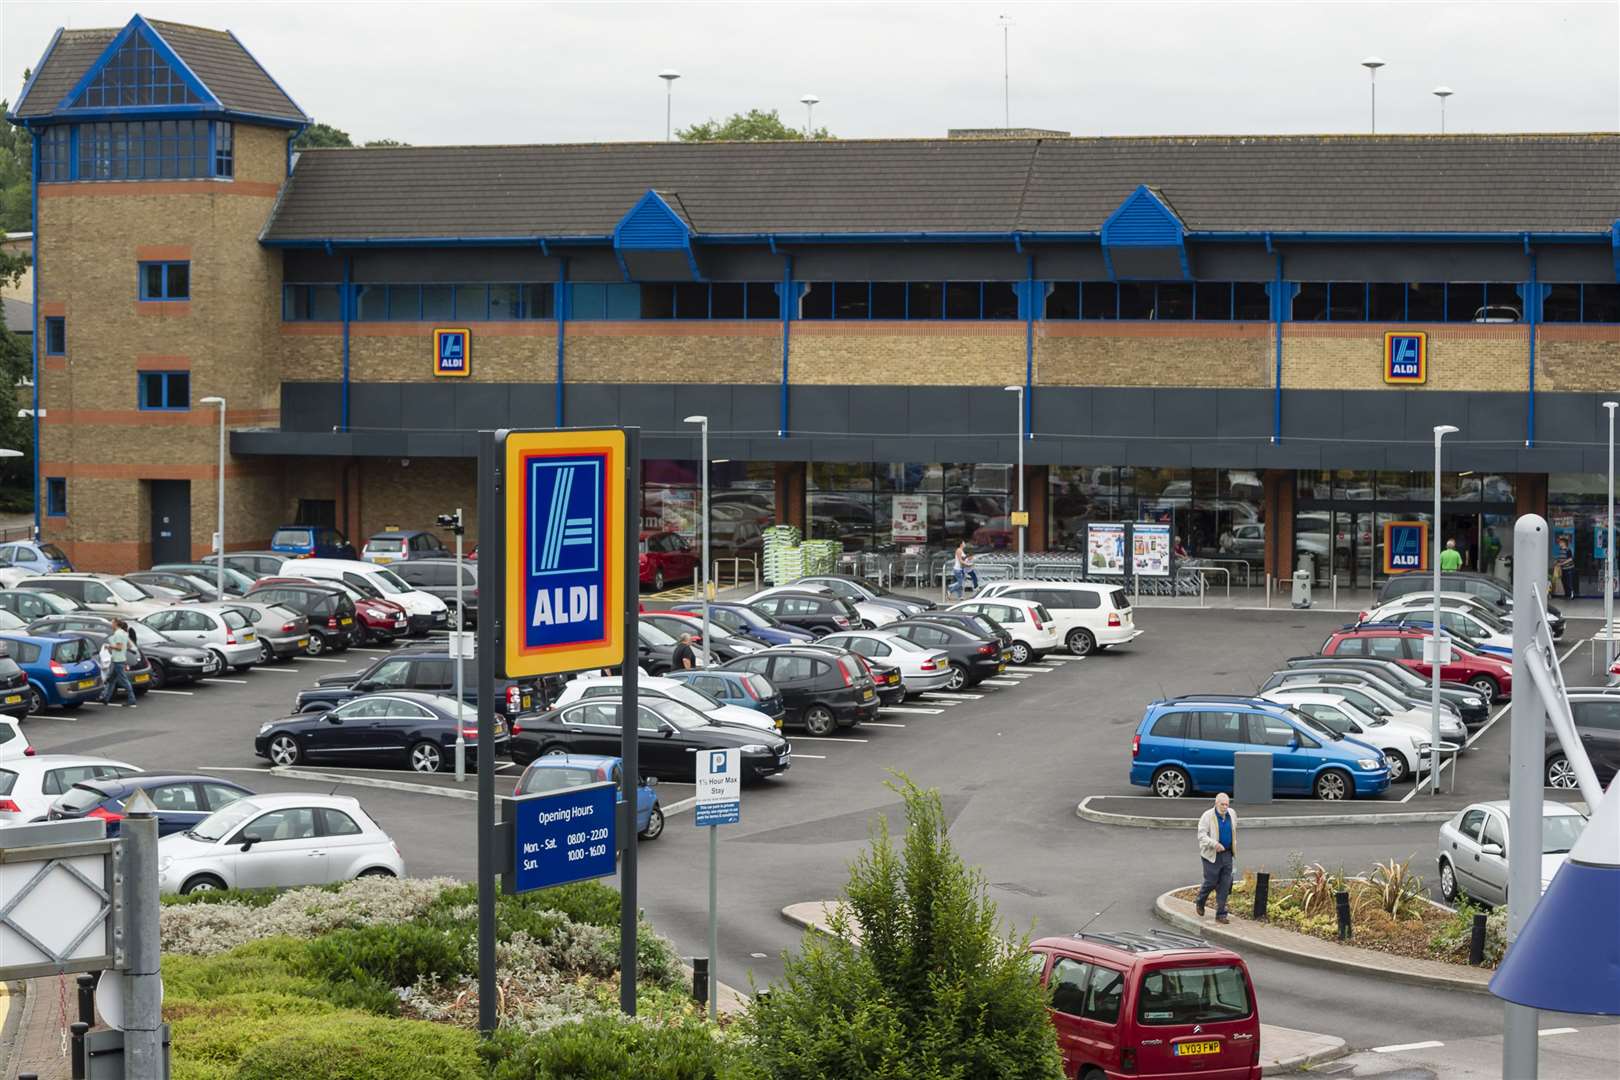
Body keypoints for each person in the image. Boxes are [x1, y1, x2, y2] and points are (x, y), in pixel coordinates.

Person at [1195, 792, 1236, 923]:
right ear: (1216, 803)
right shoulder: (1207, 816)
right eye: (1222, 804)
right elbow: (1201, 835)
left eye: (1227, 804)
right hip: (1211, 855)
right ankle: (1200, 900)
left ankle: (1221, 914)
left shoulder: (1232, 814)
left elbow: (1234, 831)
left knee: (1225, 883)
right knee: (1211, 881)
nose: (1225, 807)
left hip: (1227, 853)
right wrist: (1214, 844)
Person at [100, 618, 137, 708]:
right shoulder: (124, 633)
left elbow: (119, 647)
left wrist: (109, 646)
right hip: (119, 659)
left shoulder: (118, 634)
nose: (111, 624)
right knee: (111, 679)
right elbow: (129, 645)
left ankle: (132, 699)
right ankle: (105, 698)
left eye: (112, 623)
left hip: (118, 660)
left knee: (123, 681)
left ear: (116, 624)